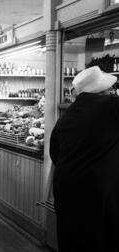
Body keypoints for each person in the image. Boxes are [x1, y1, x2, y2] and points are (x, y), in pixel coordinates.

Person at [50, 66, 119, 252]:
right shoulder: (111, 106)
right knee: (99, 241)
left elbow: (54, 152)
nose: (112, 92)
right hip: (98, 193)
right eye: (109, 89)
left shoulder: (67, 116)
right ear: (100, 90)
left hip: (65, 189)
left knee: (70, 239)